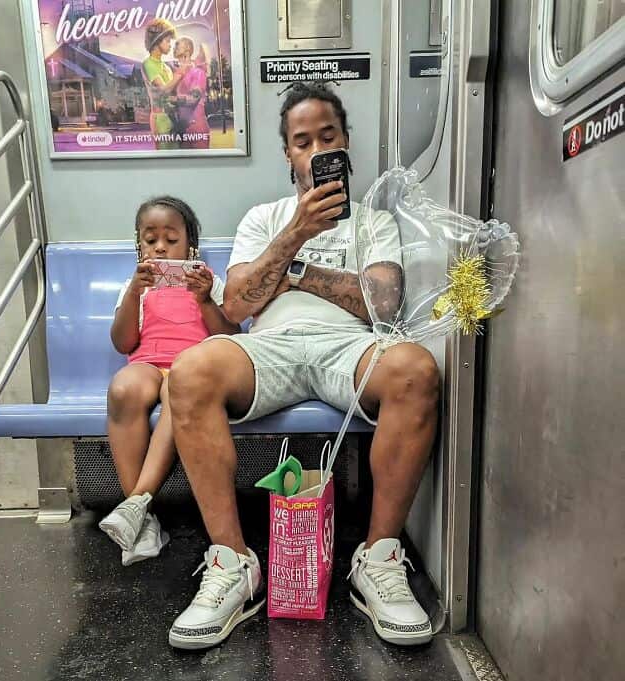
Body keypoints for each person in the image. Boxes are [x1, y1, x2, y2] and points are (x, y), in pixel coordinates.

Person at [166, 83, 440, 649]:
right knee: (189, 371)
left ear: (346, 143)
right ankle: (231, 564)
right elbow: (236, 307)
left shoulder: (373, 222)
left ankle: (379, 558)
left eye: (327, 137)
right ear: (287, 152)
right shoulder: (263, 219)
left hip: (348, 346)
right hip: (271, 347)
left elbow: (382, 304)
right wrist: (296, 233)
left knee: (416, 369)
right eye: (302, 141)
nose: (316, 151)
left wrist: (295, 275)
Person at [99, 196, 240, 566]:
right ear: (139, 245)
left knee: (179, 385)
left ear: (190, 245)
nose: (160, 247)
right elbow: (123, 343)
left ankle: (136, 504)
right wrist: (134, 292)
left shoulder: (209, 283)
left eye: (171, 239)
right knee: (123, 389)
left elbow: (231, 338)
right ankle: (142, 520)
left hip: (192, 369)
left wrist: (205, 300)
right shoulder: (136, 288)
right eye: (150, 240)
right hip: (147, 363)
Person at [141, 19, 187, 150]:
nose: (170, 45)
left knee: (177, 153)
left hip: (173, 117)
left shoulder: (166, 67)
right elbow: (163, 90)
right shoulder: (148, 64)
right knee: (165, 154)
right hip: (160, 118)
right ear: (156, 42)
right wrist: (180, 73)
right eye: (167, 41)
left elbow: (171, 95)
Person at [172, 37, 210, 149]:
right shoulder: (176, 74)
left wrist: (172, 99)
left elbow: (194, 98)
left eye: (177, 44)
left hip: (197, 128)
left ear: (188, 49)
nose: (174, 47)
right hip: (181, 130)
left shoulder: (198, 72)